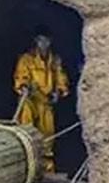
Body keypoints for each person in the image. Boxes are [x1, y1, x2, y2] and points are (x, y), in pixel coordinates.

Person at [13, 30, 69, 173]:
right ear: (36, 41)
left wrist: (59, 92)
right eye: (40, 40)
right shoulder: (27, 59)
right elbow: (21, 76)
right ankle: (27, 169)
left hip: (45, 103)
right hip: (30, 101)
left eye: (46, 40)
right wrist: (24, 87)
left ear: (50, 42)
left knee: (48, 137)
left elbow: (60, 77)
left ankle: (47, 171)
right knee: (27, 133)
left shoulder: (54, 60)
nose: (43, 44)